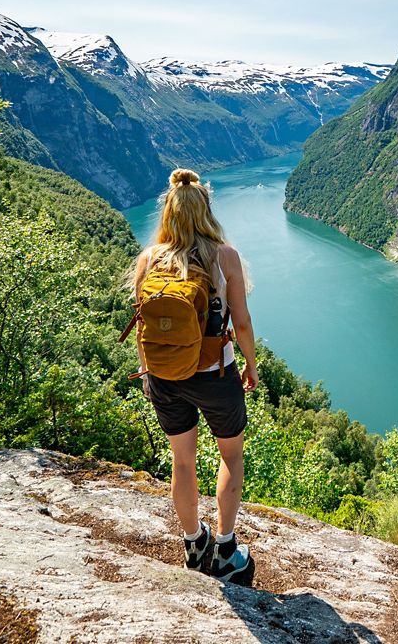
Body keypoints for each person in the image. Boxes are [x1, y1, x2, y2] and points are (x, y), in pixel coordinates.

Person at [128, 168, 258, 584]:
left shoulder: (149, 259)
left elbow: (143, 324)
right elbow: (242, 323)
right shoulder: (225, 256)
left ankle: (192, 542)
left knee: (182, 462)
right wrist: (251, 365)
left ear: (168, 211)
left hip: (166, 375)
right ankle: (225, 549)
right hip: (215, 374)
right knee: (230, 456)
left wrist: (148, 372)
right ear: (205, 209)